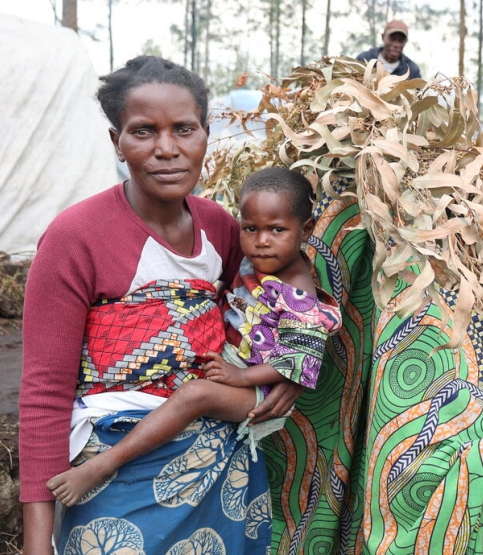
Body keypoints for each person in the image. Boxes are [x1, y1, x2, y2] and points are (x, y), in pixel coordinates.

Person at [19, 56, 294, 555]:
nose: (167, 149)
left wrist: (288, 374)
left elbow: (266, 317)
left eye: (184, 129)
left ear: (206, 135)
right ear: (116, 143)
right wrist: (37, 546)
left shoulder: (224, 229)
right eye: (143, 131)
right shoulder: (76, 237)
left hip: (223, 477)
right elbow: (44, 395)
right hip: (115, 476)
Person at [44, 167, 341, 507]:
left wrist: (242, 376)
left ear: (305, 230)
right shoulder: (257, 265)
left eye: (277, 230)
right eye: (250, 229)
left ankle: (105, 463)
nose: (261, 241)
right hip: (237, 371)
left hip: (262, 392)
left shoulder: (298, 295)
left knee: (193, 395)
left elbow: (298, 361)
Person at [355, 20, 422, 79]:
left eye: (401, 40)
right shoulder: (364, 59)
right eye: (392, 39)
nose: (396, 45)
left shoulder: (412, 70)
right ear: (383, 37)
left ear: (405, 42)